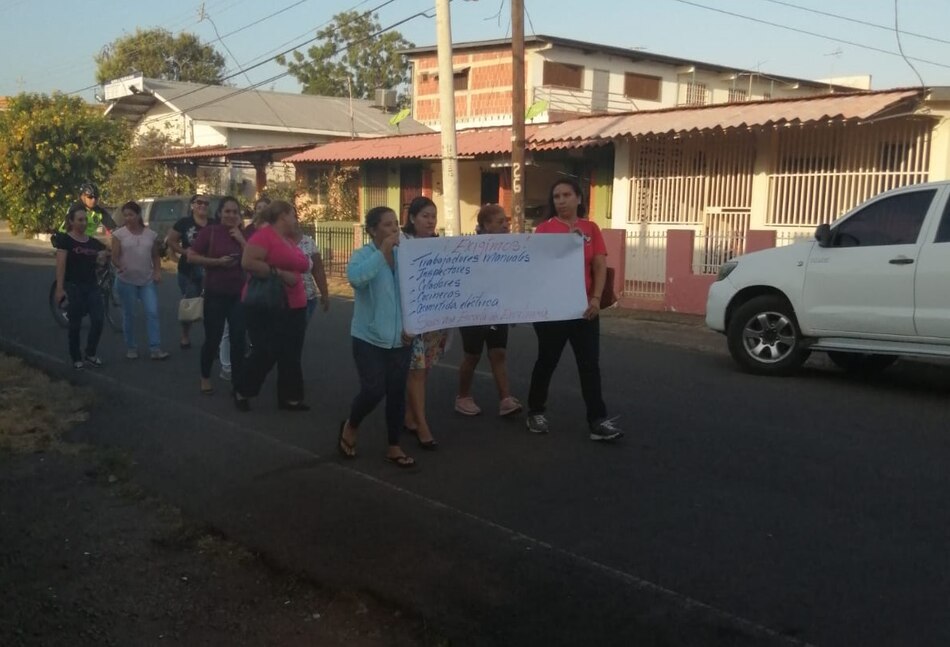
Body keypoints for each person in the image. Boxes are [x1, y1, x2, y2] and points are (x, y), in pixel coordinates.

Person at [525, 178, 623, 442]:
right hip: (554, 312)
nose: (561, 200)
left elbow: (599, 266)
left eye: (567, 195)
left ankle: (597, 420)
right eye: (556, 196)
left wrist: (594, 300)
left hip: (585, 311)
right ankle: (535, 411)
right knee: (547, 362)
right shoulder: (544, 231)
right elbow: (536, 269)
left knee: (589, 365)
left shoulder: (591, 228)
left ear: (579, 198)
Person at [338, 206, 416, 468]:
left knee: (396, 393)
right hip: (368, 338)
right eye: (387, 225)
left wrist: (412, 327)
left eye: (396, 224)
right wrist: (382, 253)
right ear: (372, 230)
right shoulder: (363, 255)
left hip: (402, 339)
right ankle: (351, 424)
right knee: (373, 390)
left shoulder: (407, 254)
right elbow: (356, 280)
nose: (394, 229)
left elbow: (417, 294)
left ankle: (394, 445)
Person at [233, 200, 311, 412]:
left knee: (291, 353)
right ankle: (243, 389)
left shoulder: (287, 240)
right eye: (293, 215)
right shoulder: (263, 237)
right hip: (268, 304)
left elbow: (304, 264)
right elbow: (248, 262)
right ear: (283, 215)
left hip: (295, 304)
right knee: (267, 350)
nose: (296, 219)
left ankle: (290, 398)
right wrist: (279, 273)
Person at [454, 204, 522, 417]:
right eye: (500, 221)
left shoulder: (512, 248)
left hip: (497, 309)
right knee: (472, 355)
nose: (505, 225)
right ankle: (462, 397)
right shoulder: (469, 247)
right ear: (485, 225)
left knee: (498, 353)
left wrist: (512, 307)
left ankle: (505, 399)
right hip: (472, 310)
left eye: (506, 221)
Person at [187, 196, 248, 395]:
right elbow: (192, 256)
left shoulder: (242, 234)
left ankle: (238, 382)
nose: (231, 215)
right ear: (220, 213)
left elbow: (252, 259)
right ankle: (205, 376)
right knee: (213, 338)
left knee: (239, 339)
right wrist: (217, 262)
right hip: (215, 293)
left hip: (238, 294)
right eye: (227, 211)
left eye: (235, 212)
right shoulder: (210, 232)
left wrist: (240, 239)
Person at [401, 196, 447, 449]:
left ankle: (409, 415)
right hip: (412, 318)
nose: (430, 221)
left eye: (433, 216)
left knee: (424, 369)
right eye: (425, 216)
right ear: (412, 218)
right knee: (416, 371)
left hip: (435, 320)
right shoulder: (402, 244)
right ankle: (422, 425)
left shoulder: (441, 246)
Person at [111, 201, 169, 361]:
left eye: (131, 214)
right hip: (126, 280)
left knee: (152, 312)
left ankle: (155, 348)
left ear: (138, 215)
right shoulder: (119, 234)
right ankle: (131, 346)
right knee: (129, 314)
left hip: (146, 280)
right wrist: (119, 265)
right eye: (125, 215)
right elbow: (114, 257)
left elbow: (155, 256)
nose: (128, 218)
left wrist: (157, 272)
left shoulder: (150, 234)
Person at [54, 204, 108, 369]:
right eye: (80, 220)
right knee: (75, 323)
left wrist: (103, 257)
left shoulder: (93, 243)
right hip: (73, 286)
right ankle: (76, 356)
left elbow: (104, 256)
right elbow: (61, 265)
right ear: (71, 222)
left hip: (91, 285)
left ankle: (90, 353)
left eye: (85, 220)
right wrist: (60, 288)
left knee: (98, 320)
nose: (83, 223)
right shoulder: (66, 241)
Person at [166, 194, 212, 349]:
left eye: (206, 203)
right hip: (189, 271)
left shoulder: (213, 224)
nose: (203, 205)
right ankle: (185, 335)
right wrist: (184, 252)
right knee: (190, 303)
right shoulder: (184, 223)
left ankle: (212, 339)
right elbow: (171, 240)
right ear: (192, 205)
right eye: (199, 202)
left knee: (211, 306)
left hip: (210, 270)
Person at [291, 222, 330, 323]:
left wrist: (324, 293)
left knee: (299, 333)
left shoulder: (308, 242)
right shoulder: (277, 241)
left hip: (307, 297)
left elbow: (318, 269)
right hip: (284, 299)